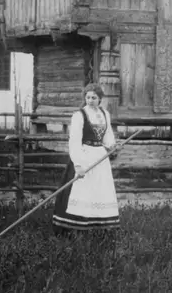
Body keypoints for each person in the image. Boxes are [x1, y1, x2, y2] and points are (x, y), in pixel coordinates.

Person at [52, 83, 121, 235]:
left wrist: (112, 146)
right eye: (88, 97)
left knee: (99, 190)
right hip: (84, 155)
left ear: (100, 99)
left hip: (100, 158)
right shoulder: (79, 115)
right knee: (82, 191)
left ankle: (97, 225)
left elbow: (108, 135)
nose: (90, 100)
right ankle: (74, 227)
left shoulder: (105, 114)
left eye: (94, 98)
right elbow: (74, 141)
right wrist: (78, 165)